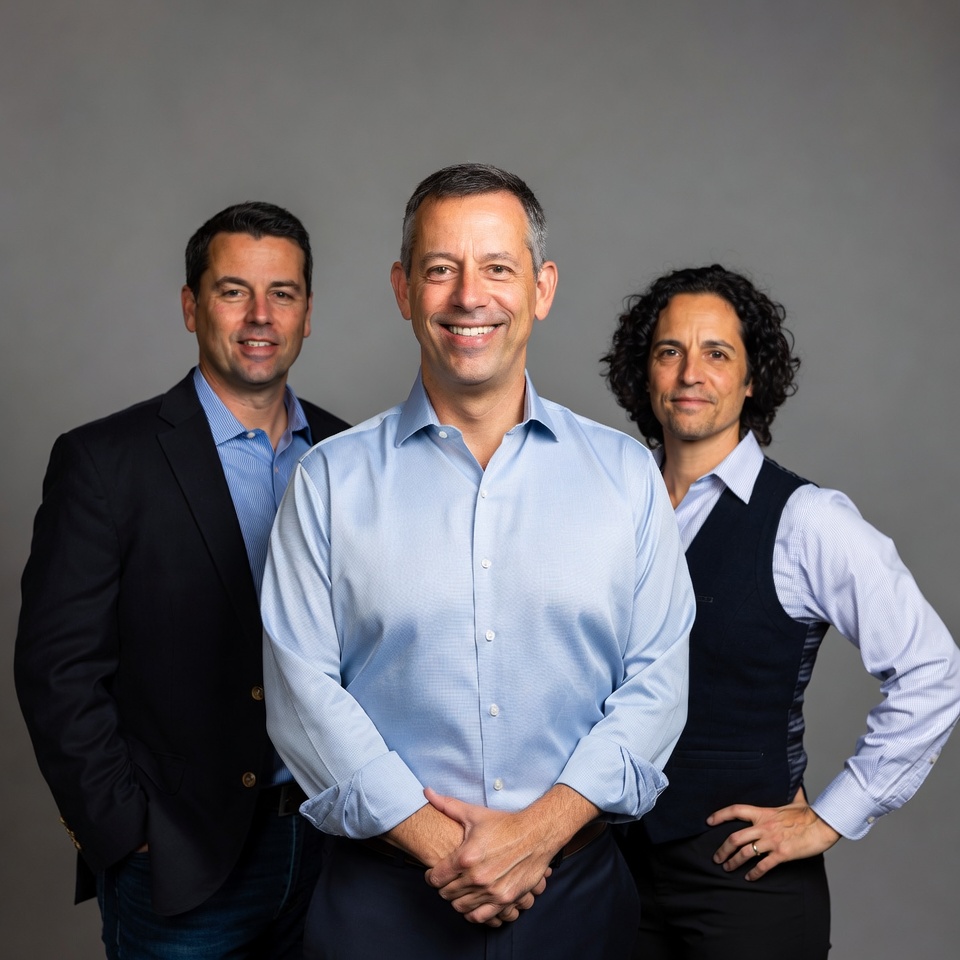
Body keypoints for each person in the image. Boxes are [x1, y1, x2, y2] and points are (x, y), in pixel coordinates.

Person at [260, 163, 695, 960]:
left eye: (498, 267)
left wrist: (538, 834)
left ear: (542, 287)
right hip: (379, 908)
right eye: (440, 270)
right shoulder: (327, 481)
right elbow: (301, 696)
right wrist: (447, 848)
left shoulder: (626, 478)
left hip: (576, 902)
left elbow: (657, 685)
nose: (469, 297)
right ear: (403, 290)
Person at [15, 201, 349, 959]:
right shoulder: (104, 462)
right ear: (192, 307)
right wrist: (123, 833)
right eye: (234, 291)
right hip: (181, 862)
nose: (260, 315)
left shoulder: (347, 453)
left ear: (307, 313)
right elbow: (56, 671)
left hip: (333, 848)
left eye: (283, 293)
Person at [602, 263, 960, 959]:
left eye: (717, 353)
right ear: (643, 372)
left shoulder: (808, 521)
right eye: (669, 351)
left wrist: (832, 816)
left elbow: (932, 669)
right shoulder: (611, 504)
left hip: (746, 884)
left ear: (751, 377)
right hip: (609, 873)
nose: (689, 373)